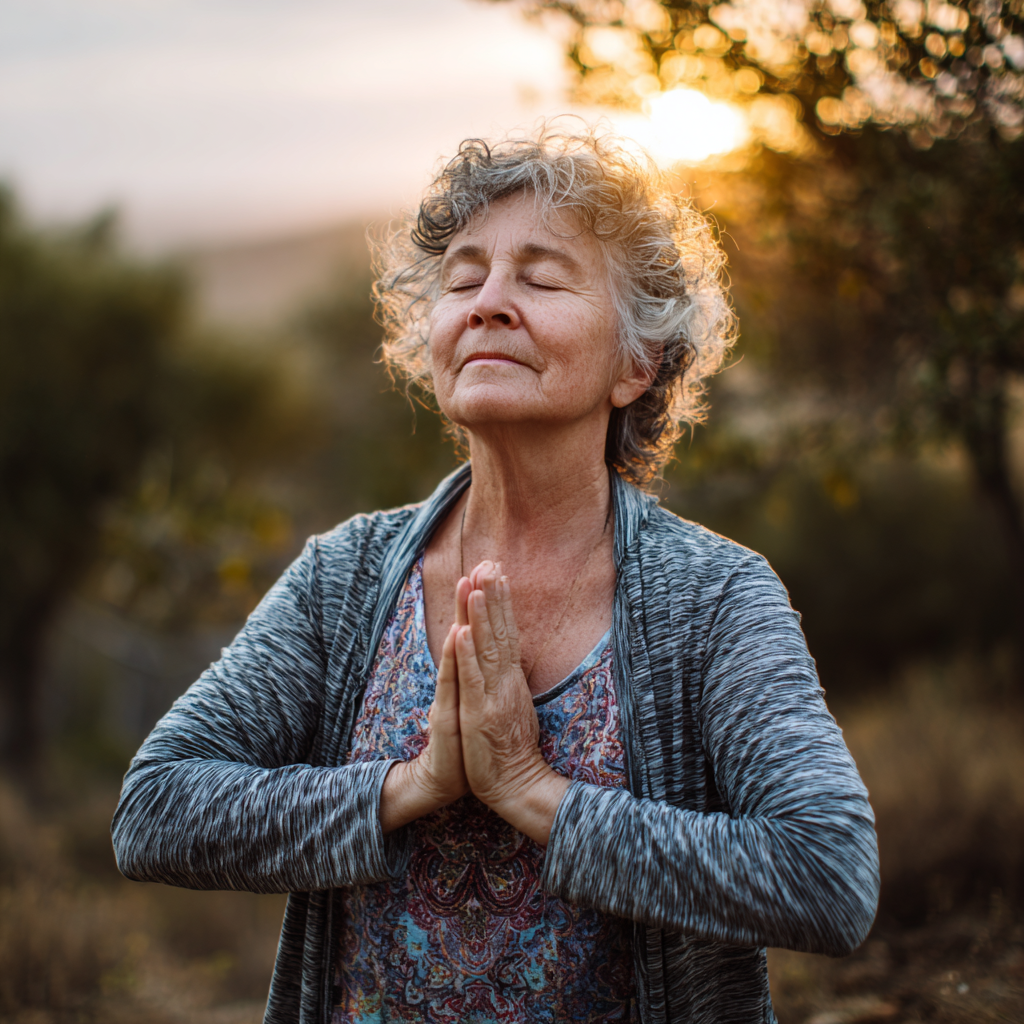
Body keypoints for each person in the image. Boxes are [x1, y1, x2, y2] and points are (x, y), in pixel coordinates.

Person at [112, 125, 879, 1024]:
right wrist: (412, 786)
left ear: (638, 363)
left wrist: (534, 793)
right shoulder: (345, 578)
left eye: (544, 278)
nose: (489, 304)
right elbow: (154, 810)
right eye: (464, 278)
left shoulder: (714, 600)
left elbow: (829, 875)